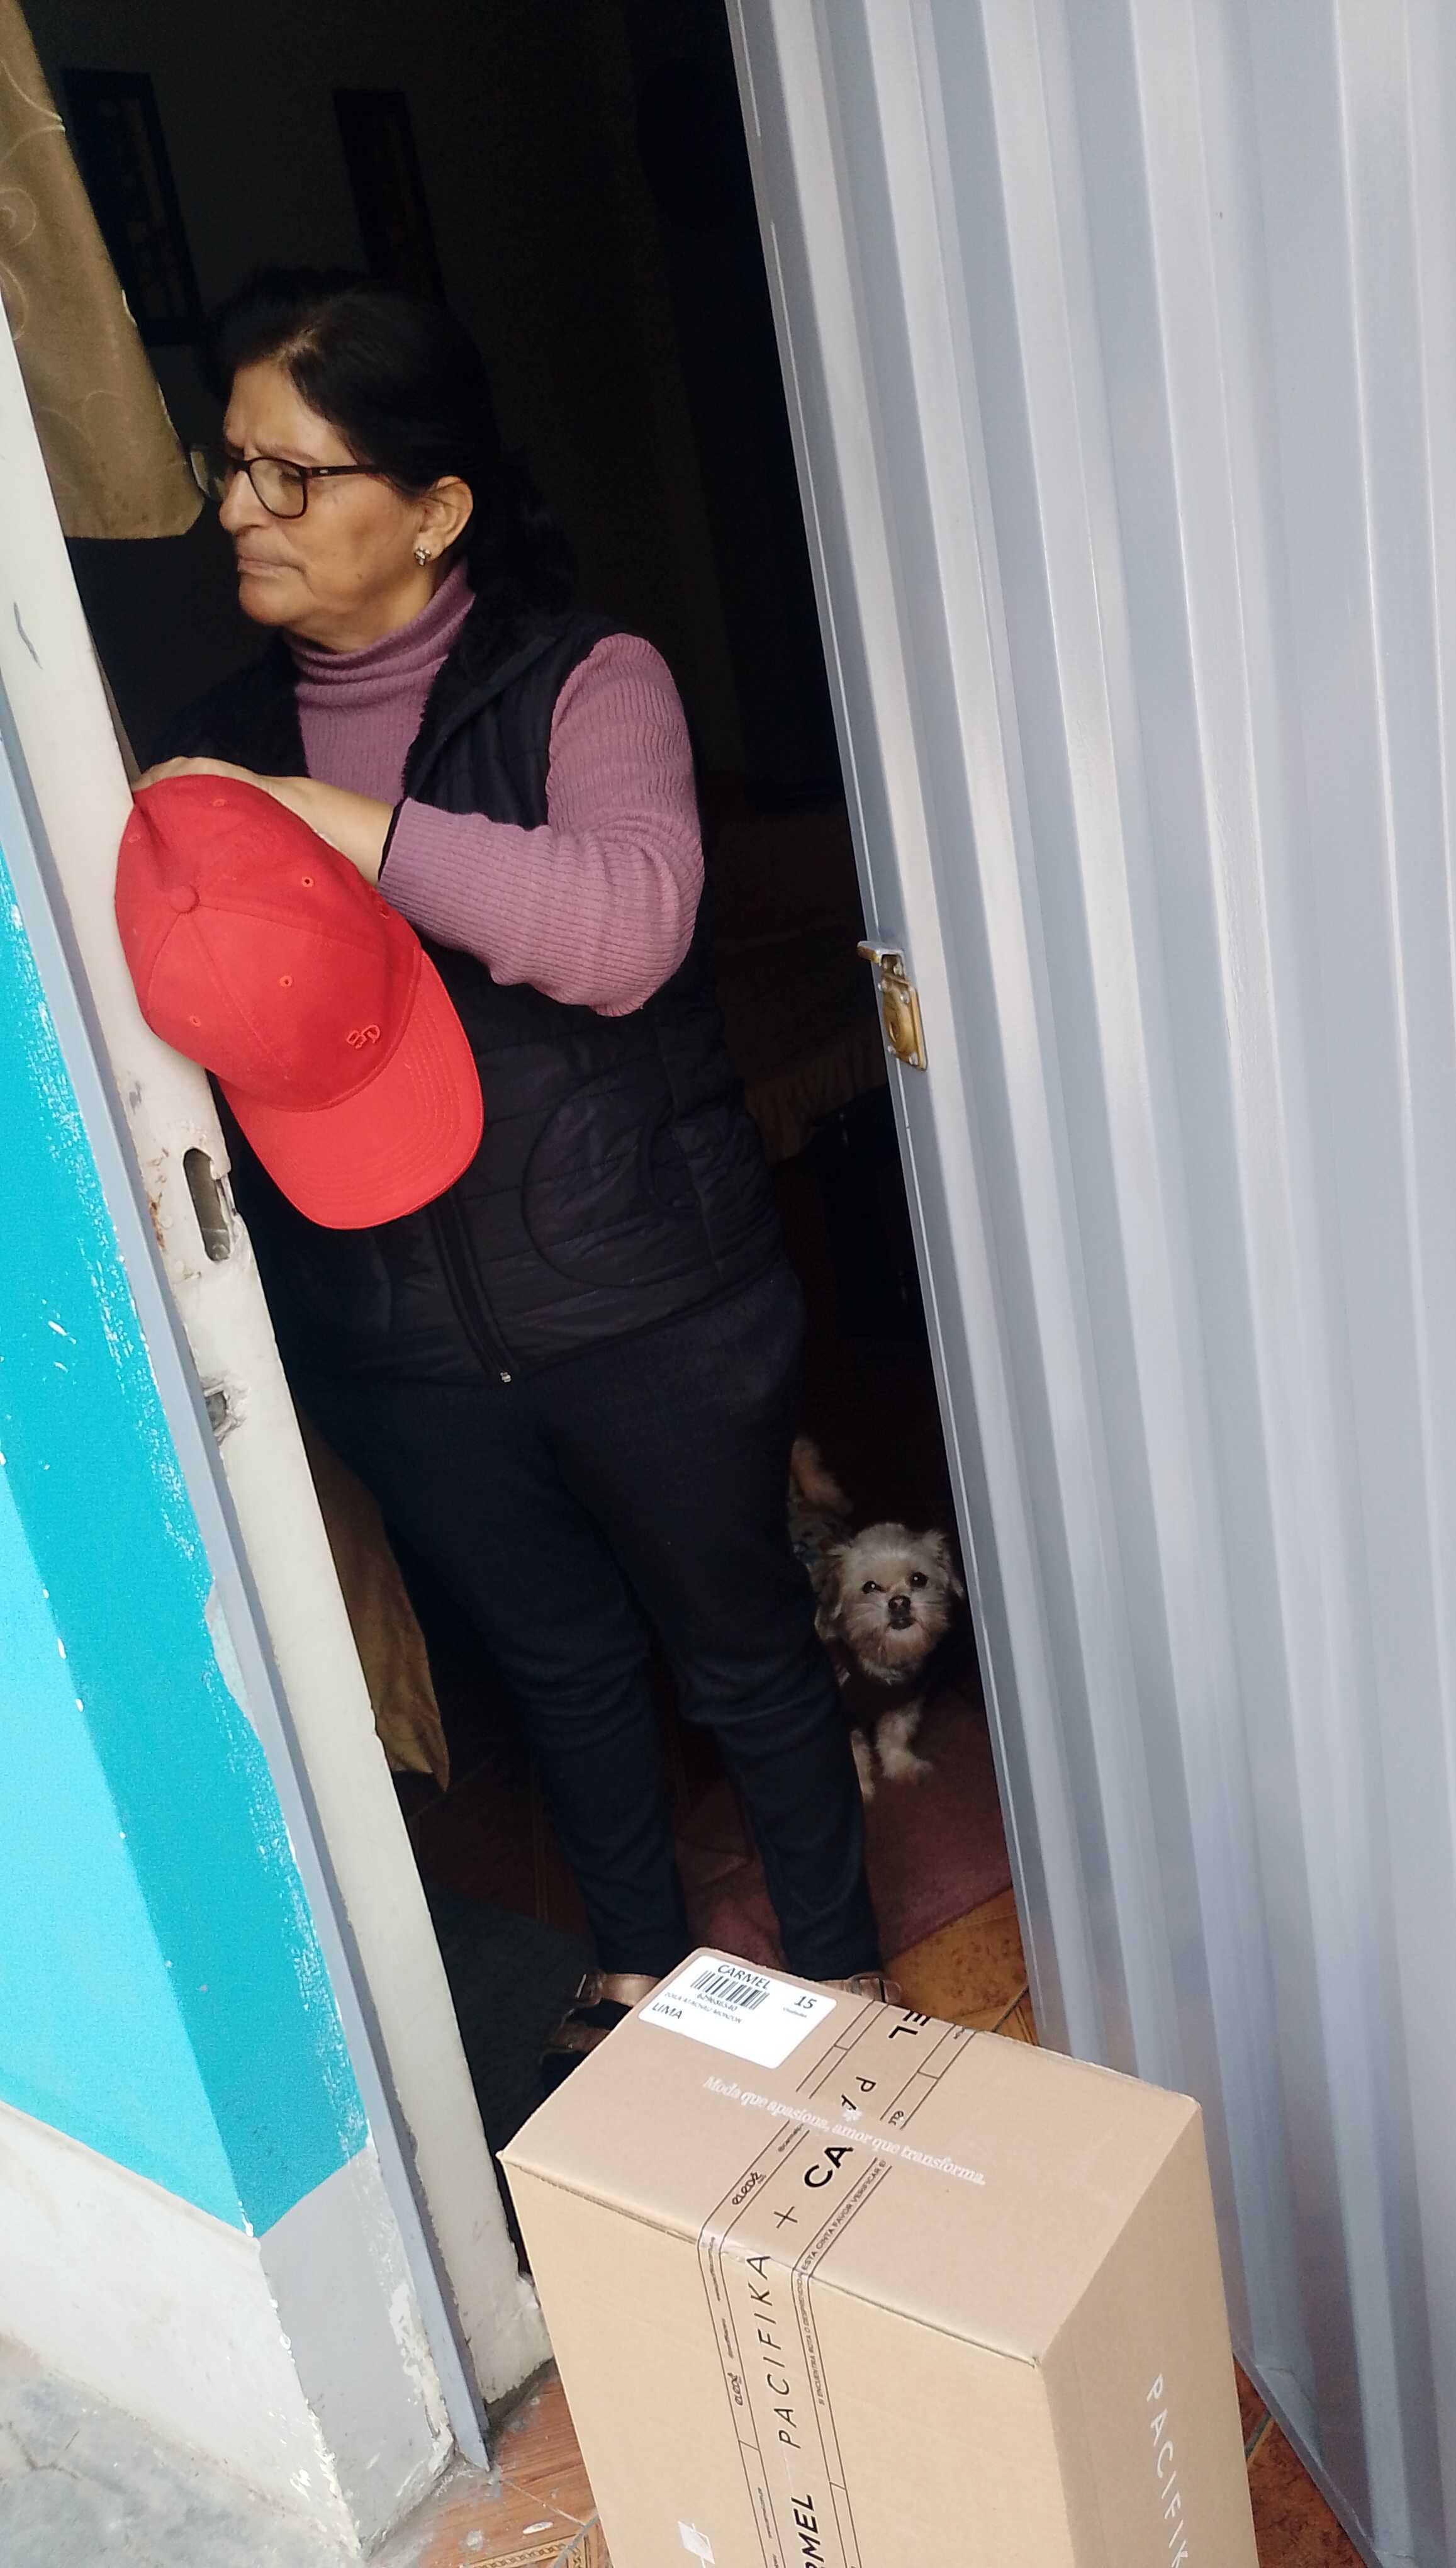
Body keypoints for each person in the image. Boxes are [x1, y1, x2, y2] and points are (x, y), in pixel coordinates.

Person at [145, 269, 891, 2080]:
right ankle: (640, 1980)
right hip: (394, 1326)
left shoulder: (589, 681)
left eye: (291, 473)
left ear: (434, 509)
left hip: (646, 1293)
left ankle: (849, 1996)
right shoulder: (217, 746)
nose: (238, 508)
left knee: (740, 1652)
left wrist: (339, 826)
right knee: (557, 1668)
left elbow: (626, 929)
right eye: (229, 464)